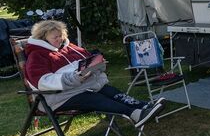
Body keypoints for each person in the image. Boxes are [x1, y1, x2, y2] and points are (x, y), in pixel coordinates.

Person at [25, 20, 164, 128]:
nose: (59, 39)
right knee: (96, 99)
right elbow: (43, 81)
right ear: (44, 38)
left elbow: (88, 61)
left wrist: (98, 64)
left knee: (110, 91)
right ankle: (135, 115)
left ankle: (143, 106)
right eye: (55, 37)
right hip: (57, 97)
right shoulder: (37, 55)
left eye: (61, 35)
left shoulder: (69, 47)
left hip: (83, 86)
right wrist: (75, 78)